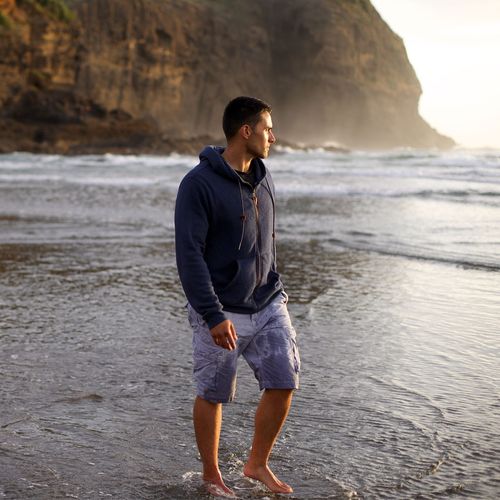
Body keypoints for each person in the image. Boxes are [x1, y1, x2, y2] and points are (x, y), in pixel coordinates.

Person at [175, 96, 300, 497]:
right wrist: (212, 315)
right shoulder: (198, 185)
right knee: (214, 393)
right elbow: (189, 255)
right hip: (220, 307)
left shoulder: (265, 177)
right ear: (245, 131)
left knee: (284, 380)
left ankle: (256, 463)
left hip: (268, 302)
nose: (273, 137)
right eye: (267, 129)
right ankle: (212, 475)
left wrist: (273, 283)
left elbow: (268, 240)